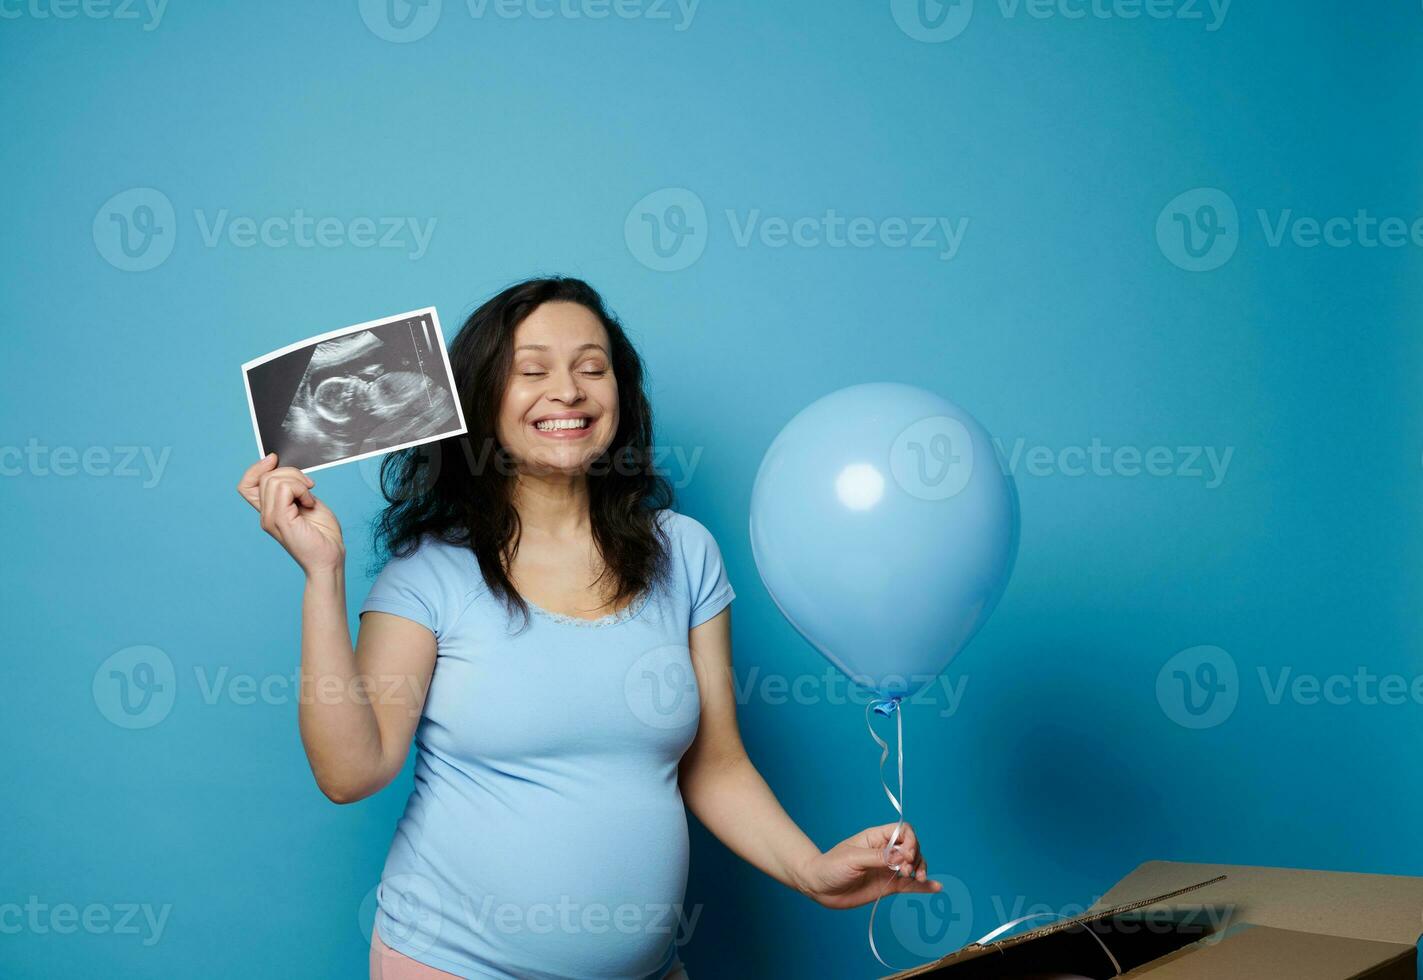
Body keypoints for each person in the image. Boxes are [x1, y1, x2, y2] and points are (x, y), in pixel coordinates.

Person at [236, 276, 940, 979]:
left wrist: (811, 872)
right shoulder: (429, 574)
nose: (568, 391)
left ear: (620, 396)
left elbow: (714, 763)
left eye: (592, 368)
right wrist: (323, 575)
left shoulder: (684, 552)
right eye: (531, 370)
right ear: (481, 400)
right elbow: (351, 772)